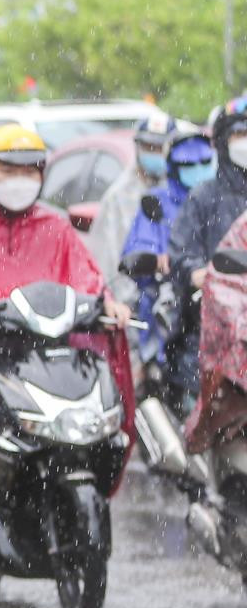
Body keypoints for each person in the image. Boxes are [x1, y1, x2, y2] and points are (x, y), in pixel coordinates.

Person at [0, 123, 133, 506]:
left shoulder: (55, 226)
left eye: (29, 171)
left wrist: (107, 303)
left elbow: (87, 276)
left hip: (48, 347)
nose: (19, 180)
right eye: (8, 171)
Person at [119, 125, 213, 401]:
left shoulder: (221, 199)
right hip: (170, 312)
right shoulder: (156, 204)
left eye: (203, 162)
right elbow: (138, 252)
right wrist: (167, 263)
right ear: (172, 166)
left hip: (221, 310)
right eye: (187, 164)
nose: (197, 169)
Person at [168, 96, 247, 383]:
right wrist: (200, 273)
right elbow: (181, 256)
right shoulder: (204, 197)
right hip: (210, 325)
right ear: (224, 140)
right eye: (240, 134)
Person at [86, 108, 177, 280]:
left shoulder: (183, 192)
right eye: (149, 147)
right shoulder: (118, 197)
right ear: (137, 147)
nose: (155, 153)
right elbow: (108, 262)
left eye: (160, 148)